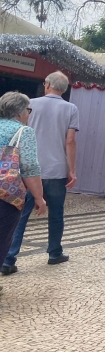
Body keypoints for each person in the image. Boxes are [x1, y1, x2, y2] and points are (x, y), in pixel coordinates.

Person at [2, 72, 77, 275]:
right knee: (56, 214)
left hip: (24, 172)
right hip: (56, 169)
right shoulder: (71, 109)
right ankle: (54, 252)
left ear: (47, 85)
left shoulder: (30, 104)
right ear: (64, 89)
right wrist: (71, 169)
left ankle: (8, 257)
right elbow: (70, 141)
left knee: (20, 216)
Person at [0, 92, 46, 285]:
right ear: (19, 112)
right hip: (6, 195)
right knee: (2, 237)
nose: (29, 114)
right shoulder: (23, 131)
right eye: (28, 110)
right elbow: (29, 168)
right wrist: (38, 197)